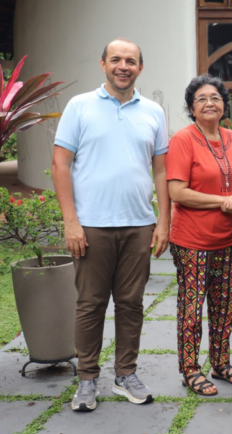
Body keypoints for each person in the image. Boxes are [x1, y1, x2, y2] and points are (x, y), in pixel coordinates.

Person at [52, 38, 170, 411]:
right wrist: (71, 222)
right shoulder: (80, 106)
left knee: (131, 304)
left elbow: (161, 170)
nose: (123, 66)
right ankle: (87, 379)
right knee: (90, 305)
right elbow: (60, 164)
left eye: (130, 61)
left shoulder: (153, 112)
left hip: (138, 225)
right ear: (102, 63)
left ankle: (125, 374)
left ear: (140, 68)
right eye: (116, 59)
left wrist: (163, 221)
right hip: (91, 226)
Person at [166, 75, 232, 395]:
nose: (209, 103)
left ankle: (220, 362)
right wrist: (222, 201)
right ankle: (190, 369)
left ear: (224, 105)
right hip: (193, 240)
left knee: (225, 303)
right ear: (191, 108)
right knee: (192, 306)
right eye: (201, 99)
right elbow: (177, 192)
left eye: (215, 98)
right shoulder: (183, 140)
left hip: (230, 238)